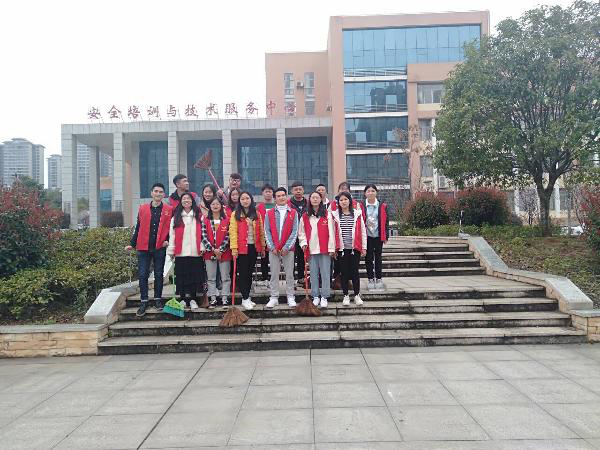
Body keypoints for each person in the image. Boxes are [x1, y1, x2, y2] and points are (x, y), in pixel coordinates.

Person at [126, 183, 172, 317]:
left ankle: (158, 299)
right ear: (152, 193)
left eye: (161, 192)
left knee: (158, 274)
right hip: (143, 246)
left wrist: (168, 240)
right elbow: (138, 227)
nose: (158, 194)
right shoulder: (143, 208)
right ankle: (144, 301)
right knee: (142, 274)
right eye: (156, 191)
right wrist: (132, 244)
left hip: (159, 247)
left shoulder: (168, 209)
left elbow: (171, 227)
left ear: (164, 195)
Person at [167, 192, 205, 311]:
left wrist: (202, 247)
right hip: (181, 252)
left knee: (194, 276)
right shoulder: (176, 217)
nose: (186, 200)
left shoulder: (198, 216)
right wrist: (172, 250)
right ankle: (183, 299)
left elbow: (203, 234)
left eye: (188, 198)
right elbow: (172, 235)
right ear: (181, 201)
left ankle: (193, 299)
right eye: (184, 199)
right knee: (181, 277)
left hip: (195, 252)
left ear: (192, 201)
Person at [298, 191, 336, 308]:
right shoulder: (305, 216)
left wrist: (332, 248)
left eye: (317, 197)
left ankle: (324, 296)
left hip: (325, 249)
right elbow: (301, 233)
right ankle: (315, 296)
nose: (315, 199)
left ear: (321, 199)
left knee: (325, 274)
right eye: (313, 197)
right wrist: (303, 243)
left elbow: (332, 232)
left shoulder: (327, 214)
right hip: (311, 249)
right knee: (313, 274)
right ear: (309, 200)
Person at [229, 191, 266, 310]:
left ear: (251, 199)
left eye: (247, 198)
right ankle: (244, 298)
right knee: (243, 273)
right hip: (241, 248)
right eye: (243, 199)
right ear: (239, 201)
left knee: (249, 273)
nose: (245, 201)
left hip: (253, 247)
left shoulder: (256, 214)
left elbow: (261, 231)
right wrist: (234, 248)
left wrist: (263, 246)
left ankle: (247, 296)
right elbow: (233, 232)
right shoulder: (235, 214)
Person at [264, 187, 299, 308]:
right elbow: (267, 231)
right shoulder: (269, 213)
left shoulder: (293, 213)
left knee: (289, 274)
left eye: (283, 195)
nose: (281, 197)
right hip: (273, 249)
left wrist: (287, 247)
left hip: (288, 249)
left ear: (286, 196)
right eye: (278, 196)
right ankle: (274, 297)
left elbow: (295, 231)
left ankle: (290, 296)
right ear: (275, 198)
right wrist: (271, 246)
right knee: (274, 274)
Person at [332, 192, 366, 306]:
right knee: (344, 272)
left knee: (355, 272)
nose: (343, 202)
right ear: (338, 202)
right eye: (341, 200)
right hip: (342, 249)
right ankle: (346, 295)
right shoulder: (335, 215)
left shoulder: (357, 214)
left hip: (354, 248)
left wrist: (364, 247)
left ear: (350, 201)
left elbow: (363, 231)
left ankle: (357, 295)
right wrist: (333, 249)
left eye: (345, 199)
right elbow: (332, 232)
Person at [201, 197, 232, 309]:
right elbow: (203, 236)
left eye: (217, 204)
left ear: (221, 206)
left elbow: (228, 236)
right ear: (210, 206)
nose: (215, 206)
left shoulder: (227, 220)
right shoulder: (205, 220)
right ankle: (213, 299)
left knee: (225, 277)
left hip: (225, 253)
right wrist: (212, 249)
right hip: (209, 253)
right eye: (213, 204)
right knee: (211, 278)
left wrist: (221, 249)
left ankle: (225, 299)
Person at [362, 184, 389, 290]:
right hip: (367, 236)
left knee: (378, 258)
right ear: (365, 193)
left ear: (376, 192)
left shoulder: (382, 205)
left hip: (378, 236)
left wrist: (386, 236)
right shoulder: (361, 205)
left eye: (373, 191)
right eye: (368, 191)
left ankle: (378, 278)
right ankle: (370, 279)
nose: (370, 193)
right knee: (368, 258)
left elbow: (386, 222)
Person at [288, 181, 308, 285]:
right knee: (291, 258)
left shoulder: (308, 203)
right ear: (292, 191)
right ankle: (290, 279)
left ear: (303, 190)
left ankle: (301, 278)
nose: (298, 191)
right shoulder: (288, 204)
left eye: (300, 189)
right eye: (296, 189)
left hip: (304, 234)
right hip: (291, 235)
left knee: (302, 257)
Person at [256, 183, 275, 288]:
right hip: (263, 236)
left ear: (273, 193)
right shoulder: (259, 207)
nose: (268, 193)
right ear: (262, 193)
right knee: (264, 258)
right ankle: (264, 278)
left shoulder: (276, 206)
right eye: (266, 191)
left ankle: (274, 279)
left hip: (274, 237)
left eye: (270, 191)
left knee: (274, 259)